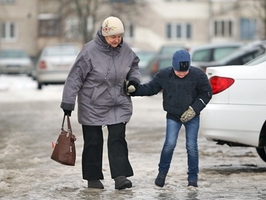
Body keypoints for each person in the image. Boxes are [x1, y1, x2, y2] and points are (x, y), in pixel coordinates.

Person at [60, 16, 141, 190]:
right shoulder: (89, 51)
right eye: (113, 36)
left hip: (118, 102)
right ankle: (93, 178)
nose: (117, 40)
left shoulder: (125, 49)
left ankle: (120, 176)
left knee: (118, 138)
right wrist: (68, 101)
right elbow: (75, 77)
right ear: (105, 34)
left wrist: (133, 80)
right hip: (92, 104)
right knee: (93, 142)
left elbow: (134, 64)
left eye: (119, 36)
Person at [128, 49, 212, 188]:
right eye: (178, 71)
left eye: (184, 71)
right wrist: (133, 90)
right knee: (169, 144)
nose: (181, 73)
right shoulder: (164, 74)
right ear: (173, 66)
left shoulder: (198, 75)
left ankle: (192, 178)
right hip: (173, 115)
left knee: (191, 146)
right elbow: (150, 88)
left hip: (192, 116)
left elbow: (207, 93)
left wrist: (194, 109)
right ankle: (162, 174)